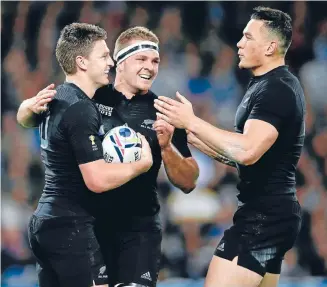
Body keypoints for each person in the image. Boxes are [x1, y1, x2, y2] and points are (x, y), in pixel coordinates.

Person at [17, 26, 199, 287]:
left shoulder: (166, 113)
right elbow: (38, 115)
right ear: (121, 61)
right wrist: (26, 108)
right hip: (92, 227)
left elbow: (189, 181)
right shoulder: (90, 97)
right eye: (142, 59)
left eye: (155, 60)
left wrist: (167, 147)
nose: (150, 67)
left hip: (139, 231)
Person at [154, 6, 305, 287]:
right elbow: (239, 155)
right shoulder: (264, 86)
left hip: (264, 217)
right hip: (269, 214)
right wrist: (185, 132)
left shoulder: (277, 89)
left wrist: (193, 121)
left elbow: (247, 151)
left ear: (271, 46)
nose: (239, 43)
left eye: (248, 37)